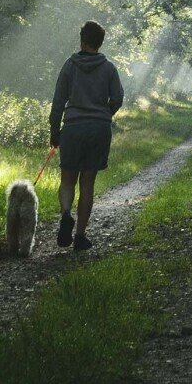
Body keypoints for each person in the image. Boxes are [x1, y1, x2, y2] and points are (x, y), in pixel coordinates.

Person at [49, 19, 123, 250]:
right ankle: (80, 236)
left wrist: (54, 131)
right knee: (88, 182)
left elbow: (58, 102)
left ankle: (65, 215)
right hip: (98, 129)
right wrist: (105, 113)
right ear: (100, 43)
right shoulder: (109, 68)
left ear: (82, 41)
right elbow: (118, 98)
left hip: (73, 128)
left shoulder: (70, 66)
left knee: (67, 179)